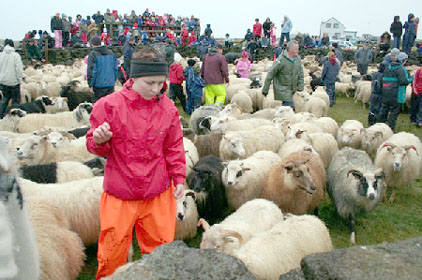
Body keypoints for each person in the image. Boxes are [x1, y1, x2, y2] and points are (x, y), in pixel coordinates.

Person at [86, 46, 185, 279]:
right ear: (133, 77)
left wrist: (179, 177)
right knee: (111, 256)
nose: (156, 88)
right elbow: (94, 144)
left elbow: (174, 146)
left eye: (160, 82)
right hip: (120, 194)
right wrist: (99, 140)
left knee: (162, 254)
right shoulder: (108, 105)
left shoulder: (168, 108)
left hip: (158, 192)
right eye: (149, 82)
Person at [262, 40, 304, 109]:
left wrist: (300, 87)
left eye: (298, 48)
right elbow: (271, 73)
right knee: (289, 108)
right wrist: (265, 89)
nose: (298, 50)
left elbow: (300, 73)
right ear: (290, 49)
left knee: (290, 109)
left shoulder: (297, 59)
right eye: (296, 49)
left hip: (293, 89)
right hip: (283, 89)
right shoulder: (281, 60)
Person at [376, 52, 411, 131]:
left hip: (385, 92)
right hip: (396, 93)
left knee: (383, 110)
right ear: (403, 60)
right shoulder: (400, 69)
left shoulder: (388, 67)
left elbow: (382, 79)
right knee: (394, 112)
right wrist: (411, 79)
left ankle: (378, 127)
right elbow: (403, 81)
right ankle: (390, 129)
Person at [87, 35, 118, 103]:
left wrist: (90, 84)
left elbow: (92, 71)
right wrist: (114, 80)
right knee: (109, 105)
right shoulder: (111, 53)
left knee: (99, 107)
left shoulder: (93, 54)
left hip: (98, 86)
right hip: (110, 84)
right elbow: (115, 68)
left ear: (92, 44)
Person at [0, 39, 23, 119]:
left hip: (3, 82)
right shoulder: (15, 55)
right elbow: (19, 69)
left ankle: (1, 117)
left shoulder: (1, 55)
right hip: (14, 82)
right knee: (15, 101)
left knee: (4, 100)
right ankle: (14, 118)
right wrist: (20, 80)